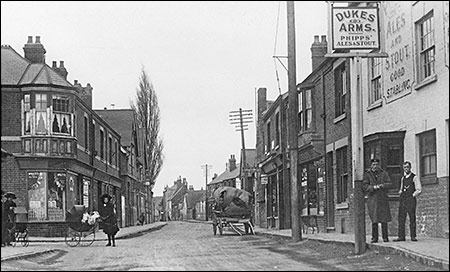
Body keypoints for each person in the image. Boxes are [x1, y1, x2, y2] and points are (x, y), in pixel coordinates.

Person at [363, 158, 392, 243]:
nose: (375, 166)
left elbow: (389, 183)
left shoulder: (384, 173)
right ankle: (374, 237)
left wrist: (382, 185)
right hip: (372, 199)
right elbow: (364, 186)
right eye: (373, 165)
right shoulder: (367, 174)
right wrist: (373, 187)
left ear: (379, 165)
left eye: (376, 164)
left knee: (384, 218)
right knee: (374, 219)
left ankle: (385, 237)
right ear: (371, 165)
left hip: (382, 198)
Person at [394, 161, 422, 242]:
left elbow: (419, 189)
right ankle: (401, 236)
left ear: (410, 168)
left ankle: (413, 236)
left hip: (410, 200)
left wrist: (412, 195)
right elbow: (401, 188)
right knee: (401, 218)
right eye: (405, 167)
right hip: (403, 200)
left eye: (407, 167)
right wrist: (400, 192)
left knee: (412, 217)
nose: (406, 169)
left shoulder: (414, 177)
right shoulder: (403, 178)